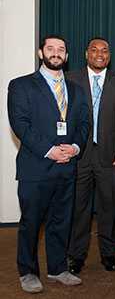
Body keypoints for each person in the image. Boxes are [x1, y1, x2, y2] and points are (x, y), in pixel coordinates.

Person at [7, 35, 89, 293]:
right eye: (50, 48)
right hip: (36, 168)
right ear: (41, 53)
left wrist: (75, 148)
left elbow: (85, 124)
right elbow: (20, 124)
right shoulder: (21, 86)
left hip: (67, 167)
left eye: (61, 49)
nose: (56, 53)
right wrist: (50, 150)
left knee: (61, 221)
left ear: (66, 56)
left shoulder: (76, 89)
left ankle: (57, 268)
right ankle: (28, 272)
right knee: (31, 223)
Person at [66, 37, 115, 274]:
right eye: (94, 50)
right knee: (78, 208)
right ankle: (76, 255)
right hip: (79, 154)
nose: (99, 54)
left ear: (110, 56)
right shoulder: (71, 79)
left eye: (104, 51)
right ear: (86, 54)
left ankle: (109, 254)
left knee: (108, 207)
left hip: (109, 154)